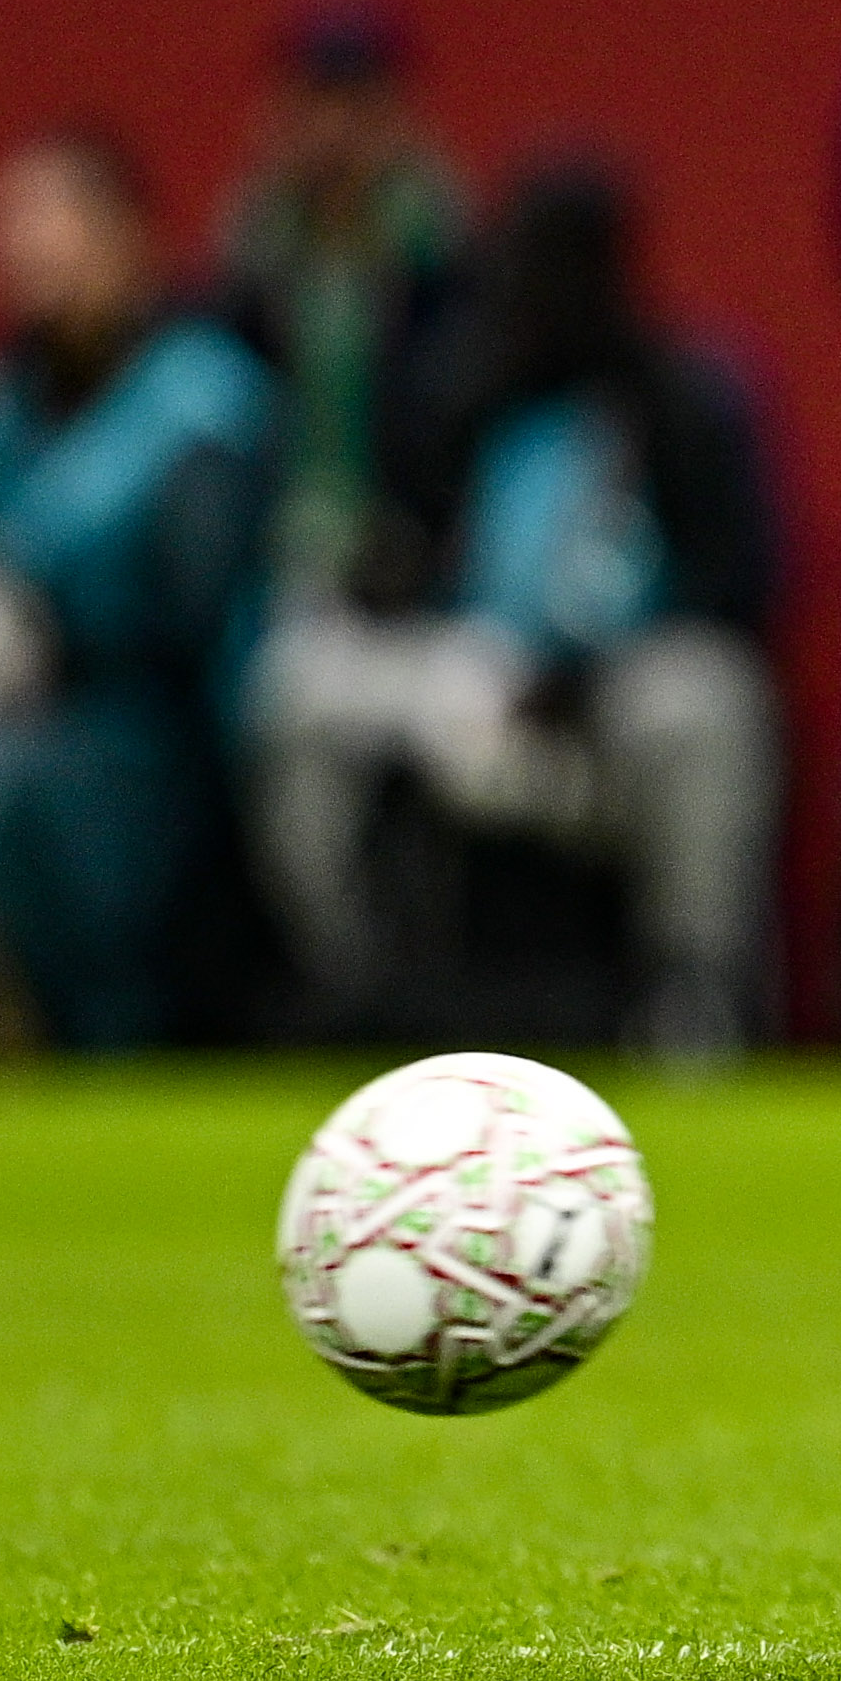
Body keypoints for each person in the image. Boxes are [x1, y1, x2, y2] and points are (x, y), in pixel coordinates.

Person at [250, 156, 780, 1056]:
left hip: (617, 706)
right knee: (301, 680)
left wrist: (587, 673)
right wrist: (395, 588)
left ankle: (694, 999)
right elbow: (404, 551)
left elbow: (735, 584)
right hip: (468, 688)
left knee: (711, 697)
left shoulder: (682, 397)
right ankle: (346, 977)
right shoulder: (460, 390)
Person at [0, 129, 277, 1050]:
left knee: (25, 791)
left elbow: (193, 611)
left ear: (127, 241)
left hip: (163, 730)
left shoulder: (202, 396)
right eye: (14, 235)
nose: (30, 256)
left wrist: (53, 632)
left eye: (56, 228)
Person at [209, 0, 463, 604]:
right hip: (274, 565)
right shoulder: (247, 264)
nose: (335, 130)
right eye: (316, 103)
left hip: (418, 568)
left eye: (358, 105)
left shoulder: (447, 264)